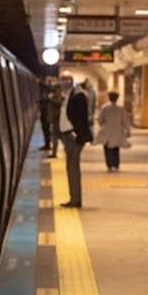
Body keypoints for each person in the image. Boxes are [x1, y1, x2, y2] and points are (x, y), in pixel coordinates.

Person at [58, 76, 92, 208]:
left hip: (73, 137)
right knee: (70, 167)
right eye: (62, 81)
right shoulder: (68, 95)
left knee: (73, 168)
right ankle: (73, 198)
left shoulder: (78, 96)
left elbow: (82, 117)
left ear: (70, 82)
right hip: (68, 135)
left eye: (65, 81)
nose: (62, 83)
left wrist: (76, 134)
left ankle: (75, 200)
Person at [96, 91, 131, 172]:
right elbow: (125, 121)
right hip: (117, 130)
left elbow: (100, 119)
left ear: (109, 97)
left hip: (106, 130)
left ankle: (109, 164)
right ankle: (116, 164)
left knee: (107, 148)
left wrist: (102, 125)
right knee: (116, 148)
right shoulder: (121, 109)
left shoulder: (104, 108)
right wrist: (128, 131)